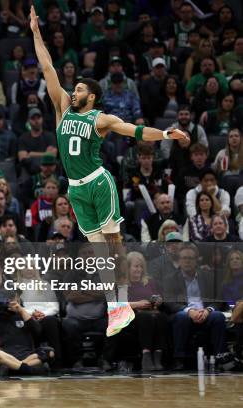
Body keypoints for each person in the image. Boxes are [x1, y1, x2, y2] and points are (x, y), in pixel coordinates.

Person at [30, 6, 188, 337]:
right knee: (100, 250)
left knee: (113, 243)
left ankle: (122, 302)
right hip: (75, 189)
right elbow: (47, 67)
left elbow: (135, 131)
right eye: (74, 90)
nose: (74, 92)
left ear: (93, 96)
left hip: (98, 183)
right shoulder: (62, 107)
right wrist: (36, 33)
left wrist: (167, 134)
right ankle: (116, 307)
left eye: (80, 90)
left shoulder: (100, 118)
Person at [126, 252, 168, 371]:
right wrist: (138, 304)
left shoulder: (150, 282)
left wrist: (158, 300)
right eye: (135, 266)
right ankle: (146, 355)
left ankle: (157, 355)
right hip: (132, 315)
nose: (139, 269)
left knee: (162, 317)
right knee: (145, 317)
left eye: (141, 266)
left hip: (151, 313)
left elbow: (159, 297)